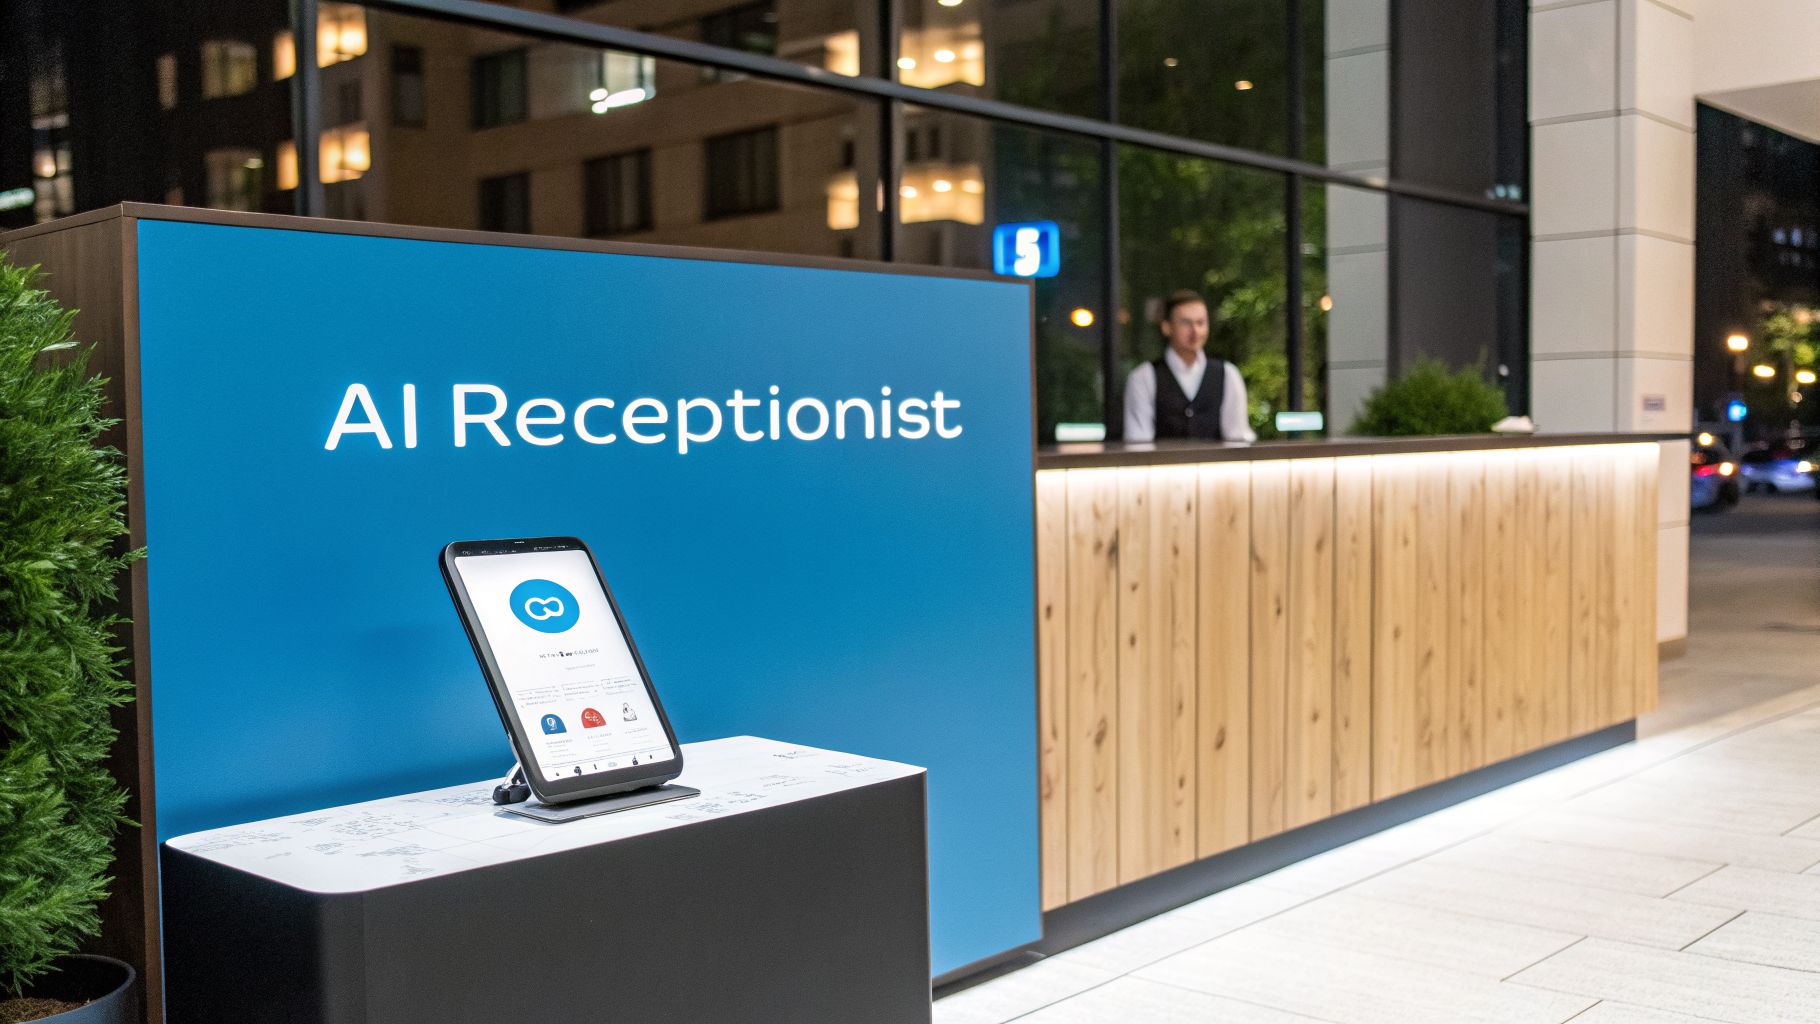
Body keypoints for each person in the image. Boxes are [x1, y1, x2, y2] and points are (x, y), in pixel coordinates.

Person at [1123, 289, 1257, 443]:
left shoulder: (1228, 374)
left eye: (1201, 323)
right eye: (1186, 323)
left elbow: (1237, 437)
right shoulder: (1143, 377)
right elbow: (1138, 442)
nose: (1195, 331)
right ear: (1166, 327)